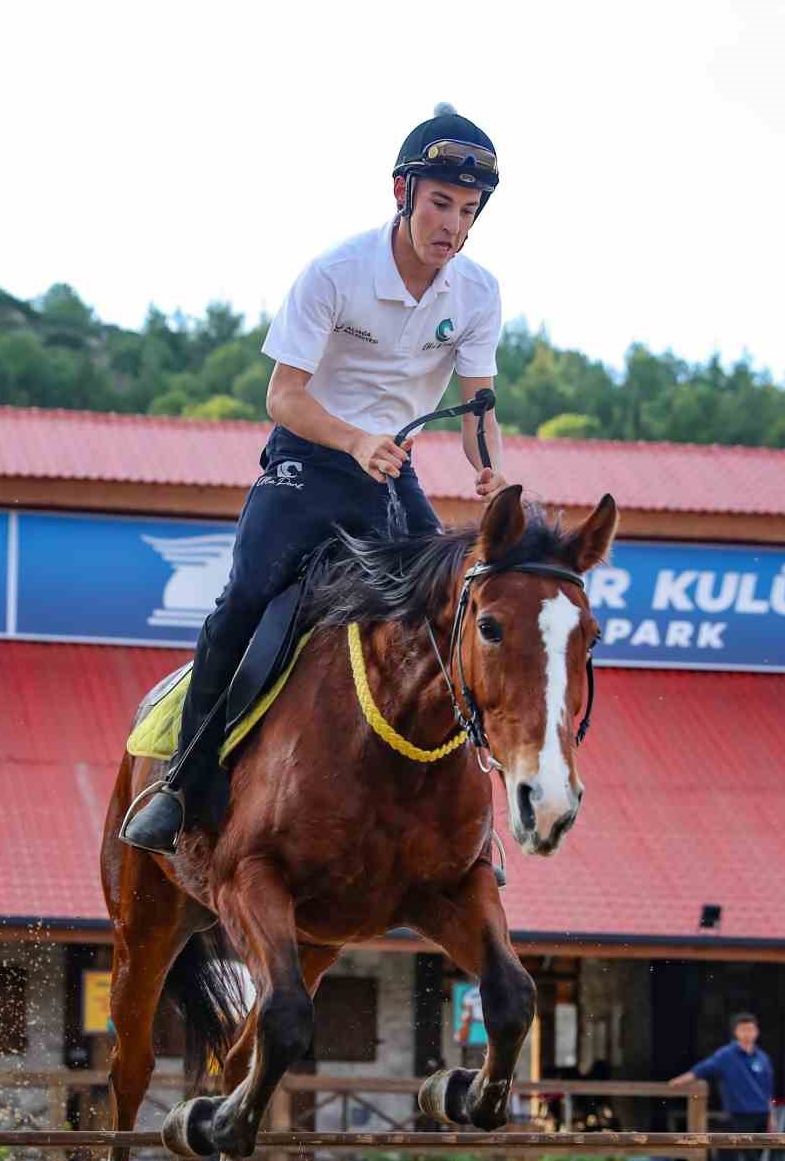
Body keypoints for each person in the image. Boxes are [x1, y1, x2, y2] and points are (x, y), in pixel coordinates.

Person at [122, 103, 507, 854]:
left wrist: (491, 471)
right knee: (244, 598)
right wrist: (356, 439)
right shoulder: (336, 272)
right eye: (439, 205)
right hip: (310, 459)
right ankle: (185, 783)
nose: (452, 227)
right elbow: (283, 396)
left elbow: (477, 408)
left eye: (467, 212)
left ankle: (463, 819)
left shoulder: (480, 292)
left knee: (450, 611)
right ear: (401, 193)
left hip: (391, 469)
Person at [669, 1012, 777, 1161]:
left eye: (751, 1029)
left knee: (755, 1157)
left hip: (761, 1111)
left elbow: (769, 1090)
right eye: (743, 1029)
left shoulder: (763, 1058)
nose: (747, 1034)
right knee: (749, 1153)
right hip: (740, 1113)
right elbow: (701, 1070)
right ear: (736, 1032)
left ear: (757, 1031)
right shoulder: (726, 1056)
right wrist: (678, 1082)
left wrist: (772, 1114)